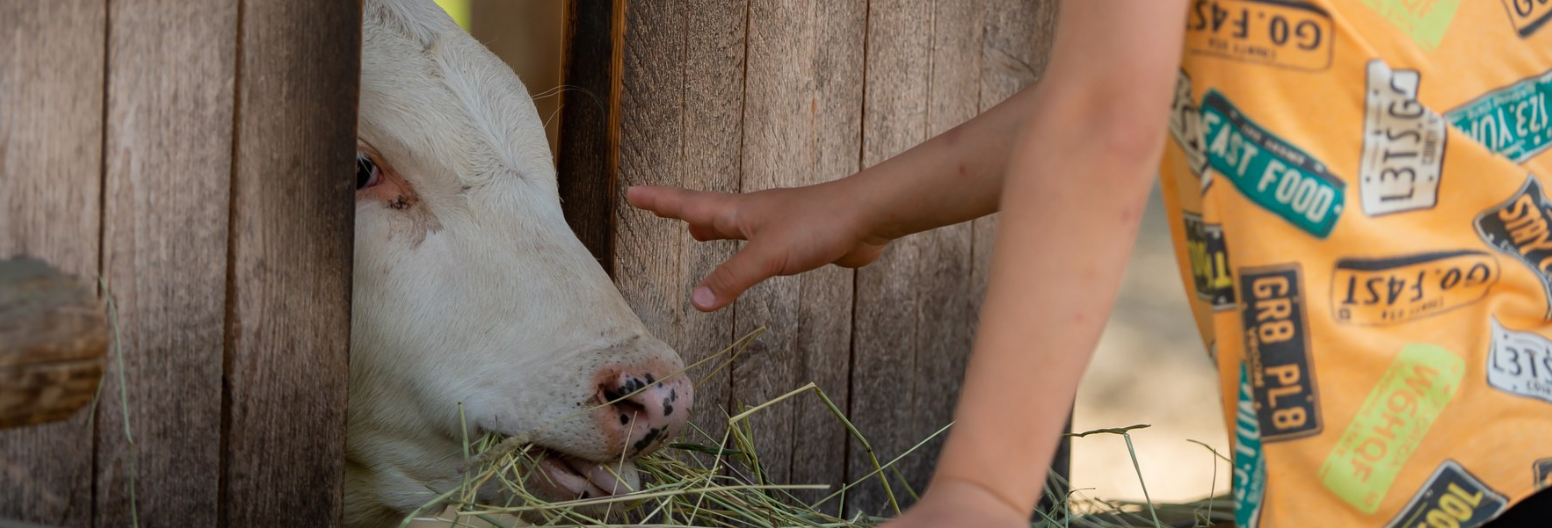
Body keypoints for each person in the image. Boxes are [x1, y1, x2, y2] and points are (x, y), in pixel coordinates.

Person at [625, 0, 1552, 526]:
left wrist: (982, 488)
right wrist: (862, 203)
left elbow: (1107, 115)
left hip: (1411, 494)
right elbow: (1148, 80)